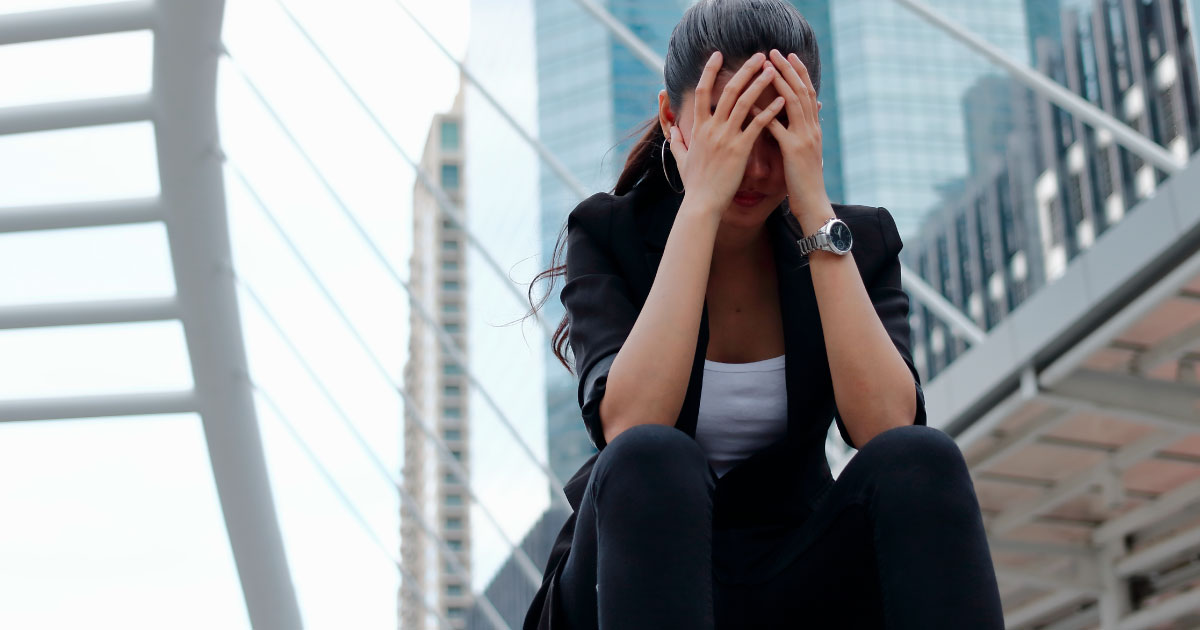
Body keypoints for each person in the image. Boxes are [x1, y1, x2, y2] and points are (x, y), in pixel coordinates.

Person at [522, 1, 1004, 628]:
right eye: (732, 128)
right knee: (653, 458)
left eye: (776, 131)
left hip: (790, 567)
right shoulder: (609, 233)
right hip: (627, 572)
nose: (754, 165)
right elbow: (632, 424)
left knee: (925, 459)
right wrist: (701, 207)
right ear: (673, 118)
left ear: (810, 126)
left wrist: (812, 205)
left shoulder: (858, 239)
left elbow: (889, 428)